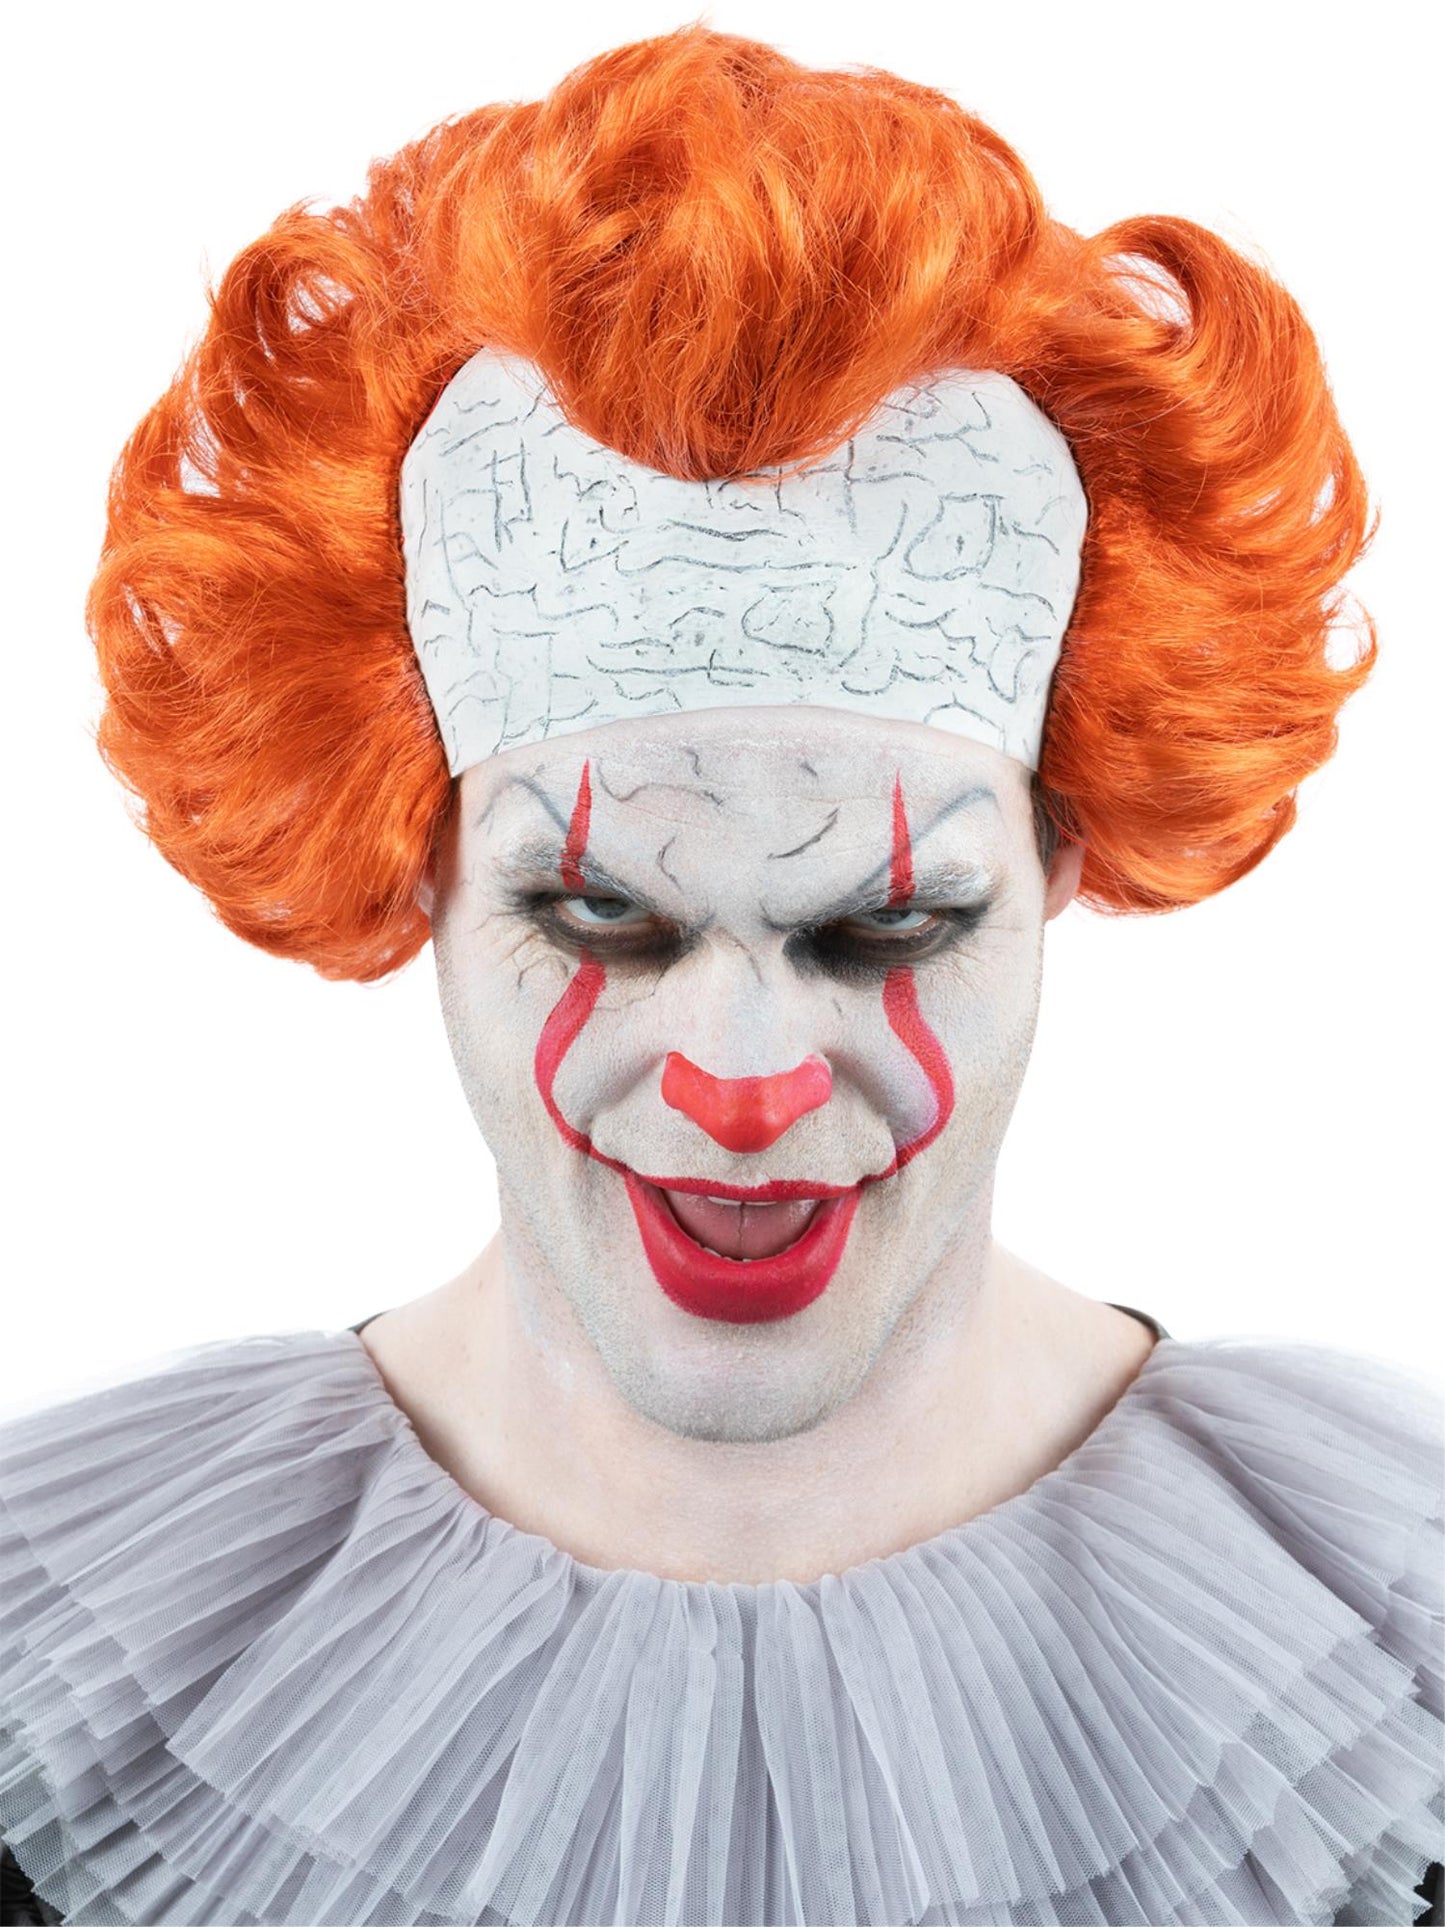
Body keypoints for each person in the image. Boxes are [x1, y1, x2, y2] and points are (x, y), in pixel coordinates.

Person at [1, 25, 1440, 1925]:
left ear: (1063, 862)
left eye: (885, 926)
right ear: (414, 858)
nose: (740, 1079)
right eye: (598, 917)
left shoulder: (1385, 1679)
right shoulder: (82, 1675)